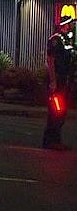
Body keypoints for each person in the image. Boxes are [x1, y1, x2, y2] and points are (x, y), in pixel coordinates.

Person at [42, 15, 75, 150]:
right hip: (57, 80)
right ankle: (50, 141)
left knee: (61, 112)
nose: (71, 26)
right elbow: (50, 60)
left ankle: (56, 140)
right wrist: (53, 81)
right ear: (63, 25)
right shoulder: (55, 39)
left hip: (64, 79)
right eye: (69, 24)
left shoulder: (66, 40)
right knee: (56, 111)